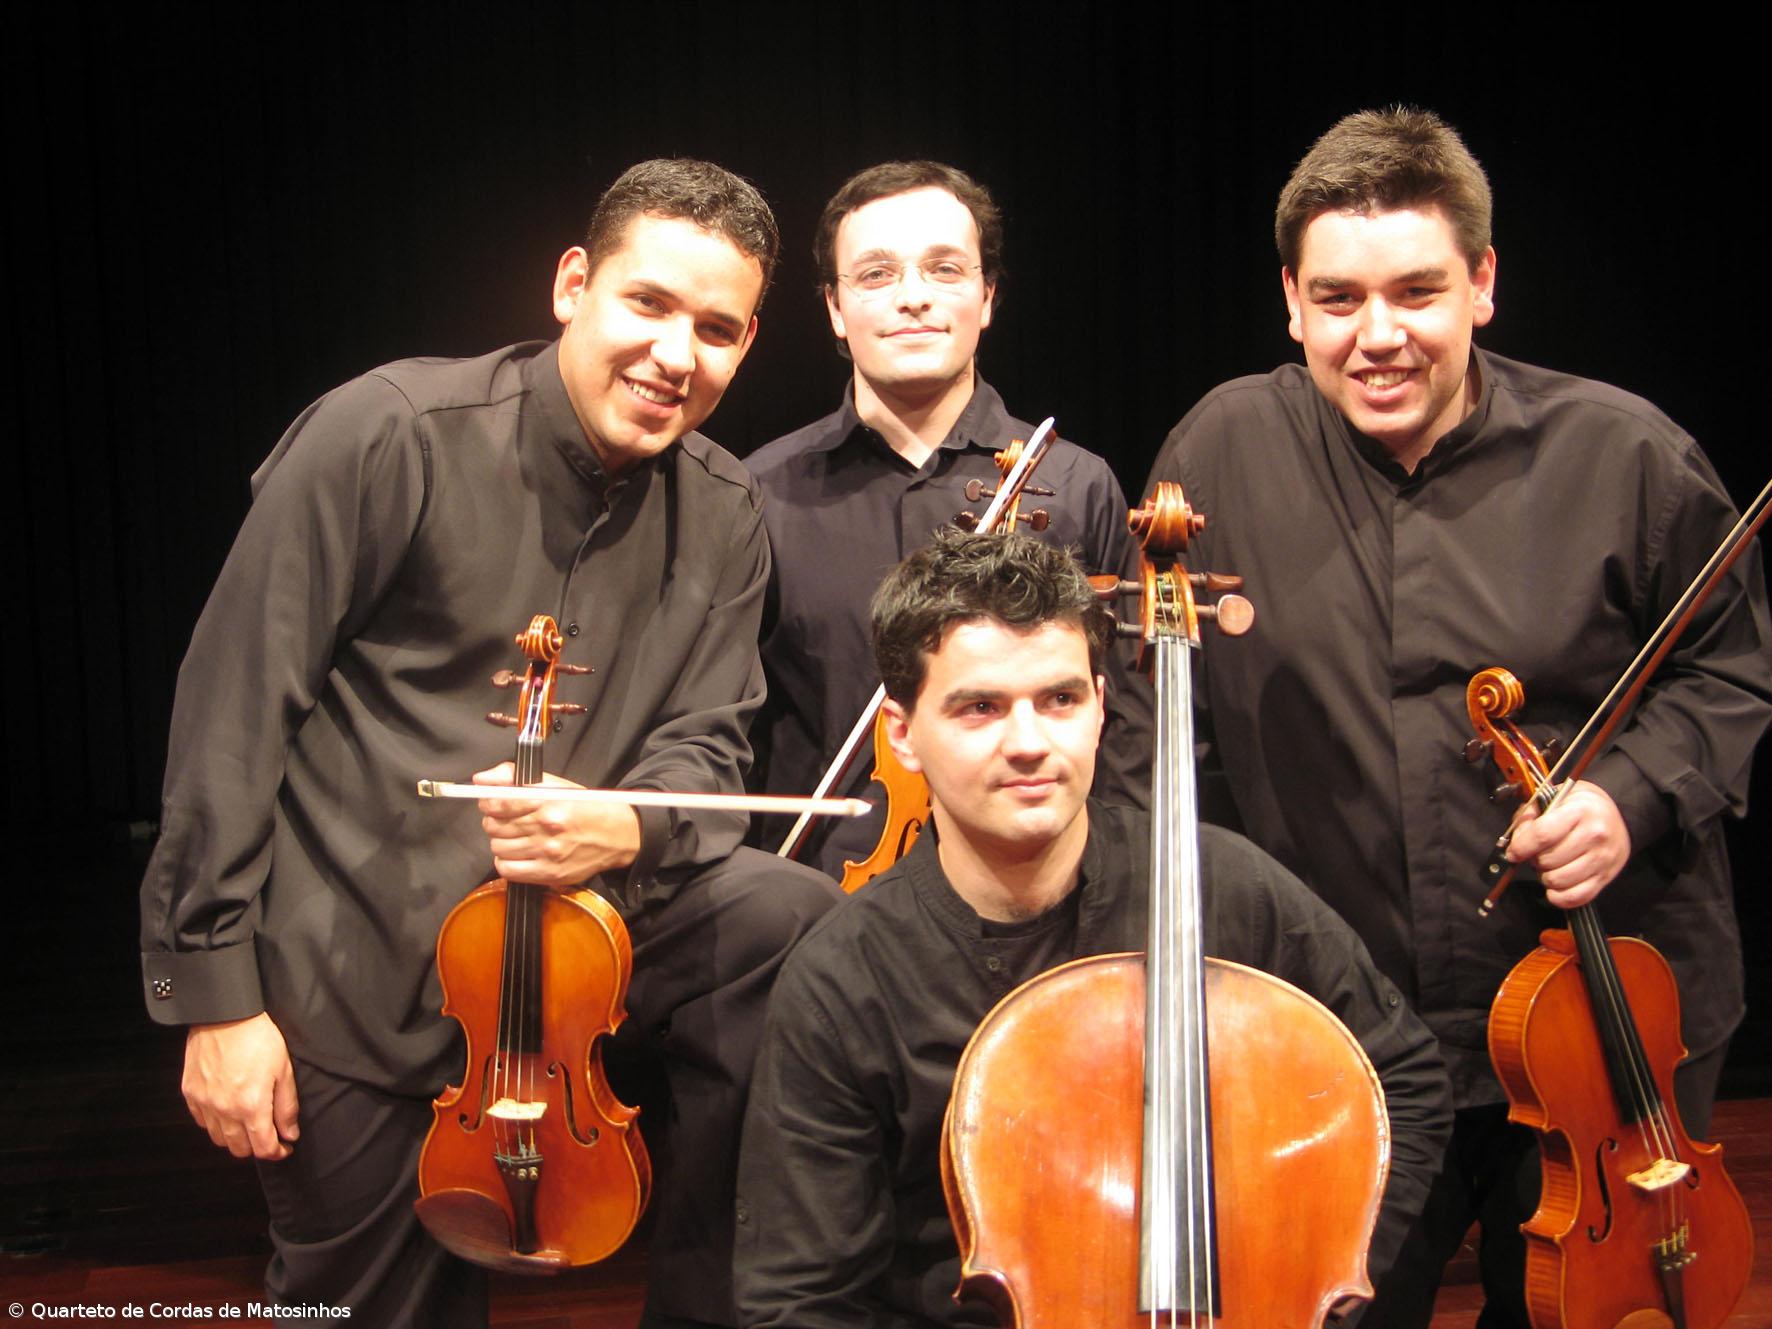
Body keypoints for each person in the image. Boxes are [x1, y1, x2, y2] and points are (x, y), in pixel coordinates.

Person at [139, 159, 842, 1329]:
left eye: (716, 331)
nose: (677, 356)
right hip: (357, 968)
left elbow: (708, 741)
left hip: (575, 954)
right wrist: (213, 1000)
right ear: (573, 284)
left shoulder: (724, 512)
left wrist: (627, 821)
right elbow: (229, 714)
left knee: (785, 923)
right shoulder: (388, 434)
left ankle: (726, 1290)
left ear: (749, 342)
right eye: (649, 305)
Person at [1143, 107, 1772, 1326]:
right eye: (1336, 299)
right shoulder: (1219, 448)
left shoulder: (1623, 454)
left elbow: (1725, 672)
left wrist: (1623, 799)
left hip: (1603, 1031)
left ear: (1481, 284)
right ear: (1288, 300)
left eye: (1416, 292)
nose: (1376, 336)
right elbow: (1168, 728)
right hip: (1349, 1032)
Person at [733, 527, 1453, 1327]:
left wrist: (1312, 1287)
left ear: (1102, 707)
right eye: (980, 707)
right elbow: (797, 1298)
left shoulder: (1224, 886)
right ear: (901, 734)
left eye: (1061, 698)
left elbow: (1409, 1082)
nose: (1031, 743)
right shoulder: (845, 978)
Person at [745, 161, 1151, 881]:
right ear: (836, 308)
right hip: (819, 900)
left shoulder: (1074, 484)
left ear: (987, 296)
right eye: (875, 275)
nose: (913, 299)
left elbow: (1126, 737)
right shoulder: (759, 492)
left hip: (1037, 895)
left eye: (944, 270)